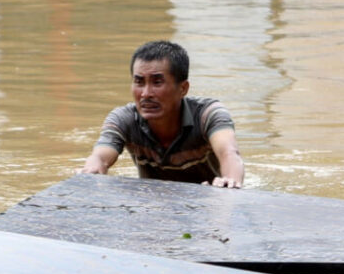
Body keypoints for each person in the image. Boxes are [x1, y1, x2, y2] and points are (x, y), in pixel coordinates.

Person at [80, 40, 244, 188]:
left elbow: (228, 152)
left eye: (157, 82)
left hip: (207, 198)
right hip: (152, 203)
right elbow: (100, 157)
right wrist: (91, 171)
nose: (146, 94)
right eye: (139, 82)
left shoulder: (208, 114)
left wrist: (230, 182)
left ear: (183, 89)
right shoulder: (124, 119)